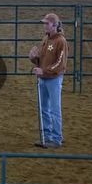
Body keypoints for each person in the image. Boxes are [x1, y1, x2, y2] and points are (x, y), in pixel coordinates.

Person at [29, 13, 68, 148]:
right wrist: (33, 58)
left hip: (54, 79)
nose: (44, 25)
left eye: (47, 23)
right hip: (44, 78)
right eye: (44, 23)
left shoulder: (61, 41)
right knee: (44, 109)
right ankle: (47, 137)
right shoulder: (46, 39)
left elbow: (60, 64)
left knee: (54, 109)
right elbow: (41, 59)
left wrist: (43, 71)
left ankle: (56, 139)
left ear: (54, 25)